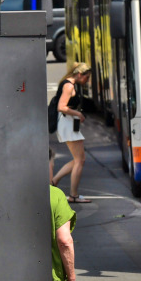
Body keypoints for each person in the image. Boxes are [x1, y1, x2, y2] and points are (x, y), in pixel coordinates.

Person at [51, 62, 92, 203]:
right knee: (80, 160)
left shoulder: (69, 83)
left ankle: (55, 180)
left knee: (78, 159)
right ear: (79, 74)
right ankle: (73, 195)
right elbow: (61, 107)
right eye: (87, 77)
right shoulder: (69, 86)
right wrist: (78, 114)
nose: (87, 80)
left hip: (67, 124)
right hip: (67, 124)